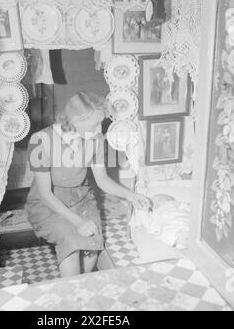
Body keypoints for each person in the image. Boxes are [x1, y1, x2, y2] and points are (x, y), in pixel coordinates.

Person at [25, 91, 151, 278]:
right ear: (76, 121)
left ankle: (80, 289)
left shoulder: (96, 139)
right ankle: (74, 296)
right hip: (48, 204)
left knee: (92, 246)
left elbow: (102, 180)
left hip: (81, 198)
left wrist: (130, 196)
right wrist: (78, 222)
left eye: (101, 123)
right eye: (95, 124)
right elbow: (45, 193)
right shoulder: (41, 140)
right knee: (72, 244)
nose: (100, 129)